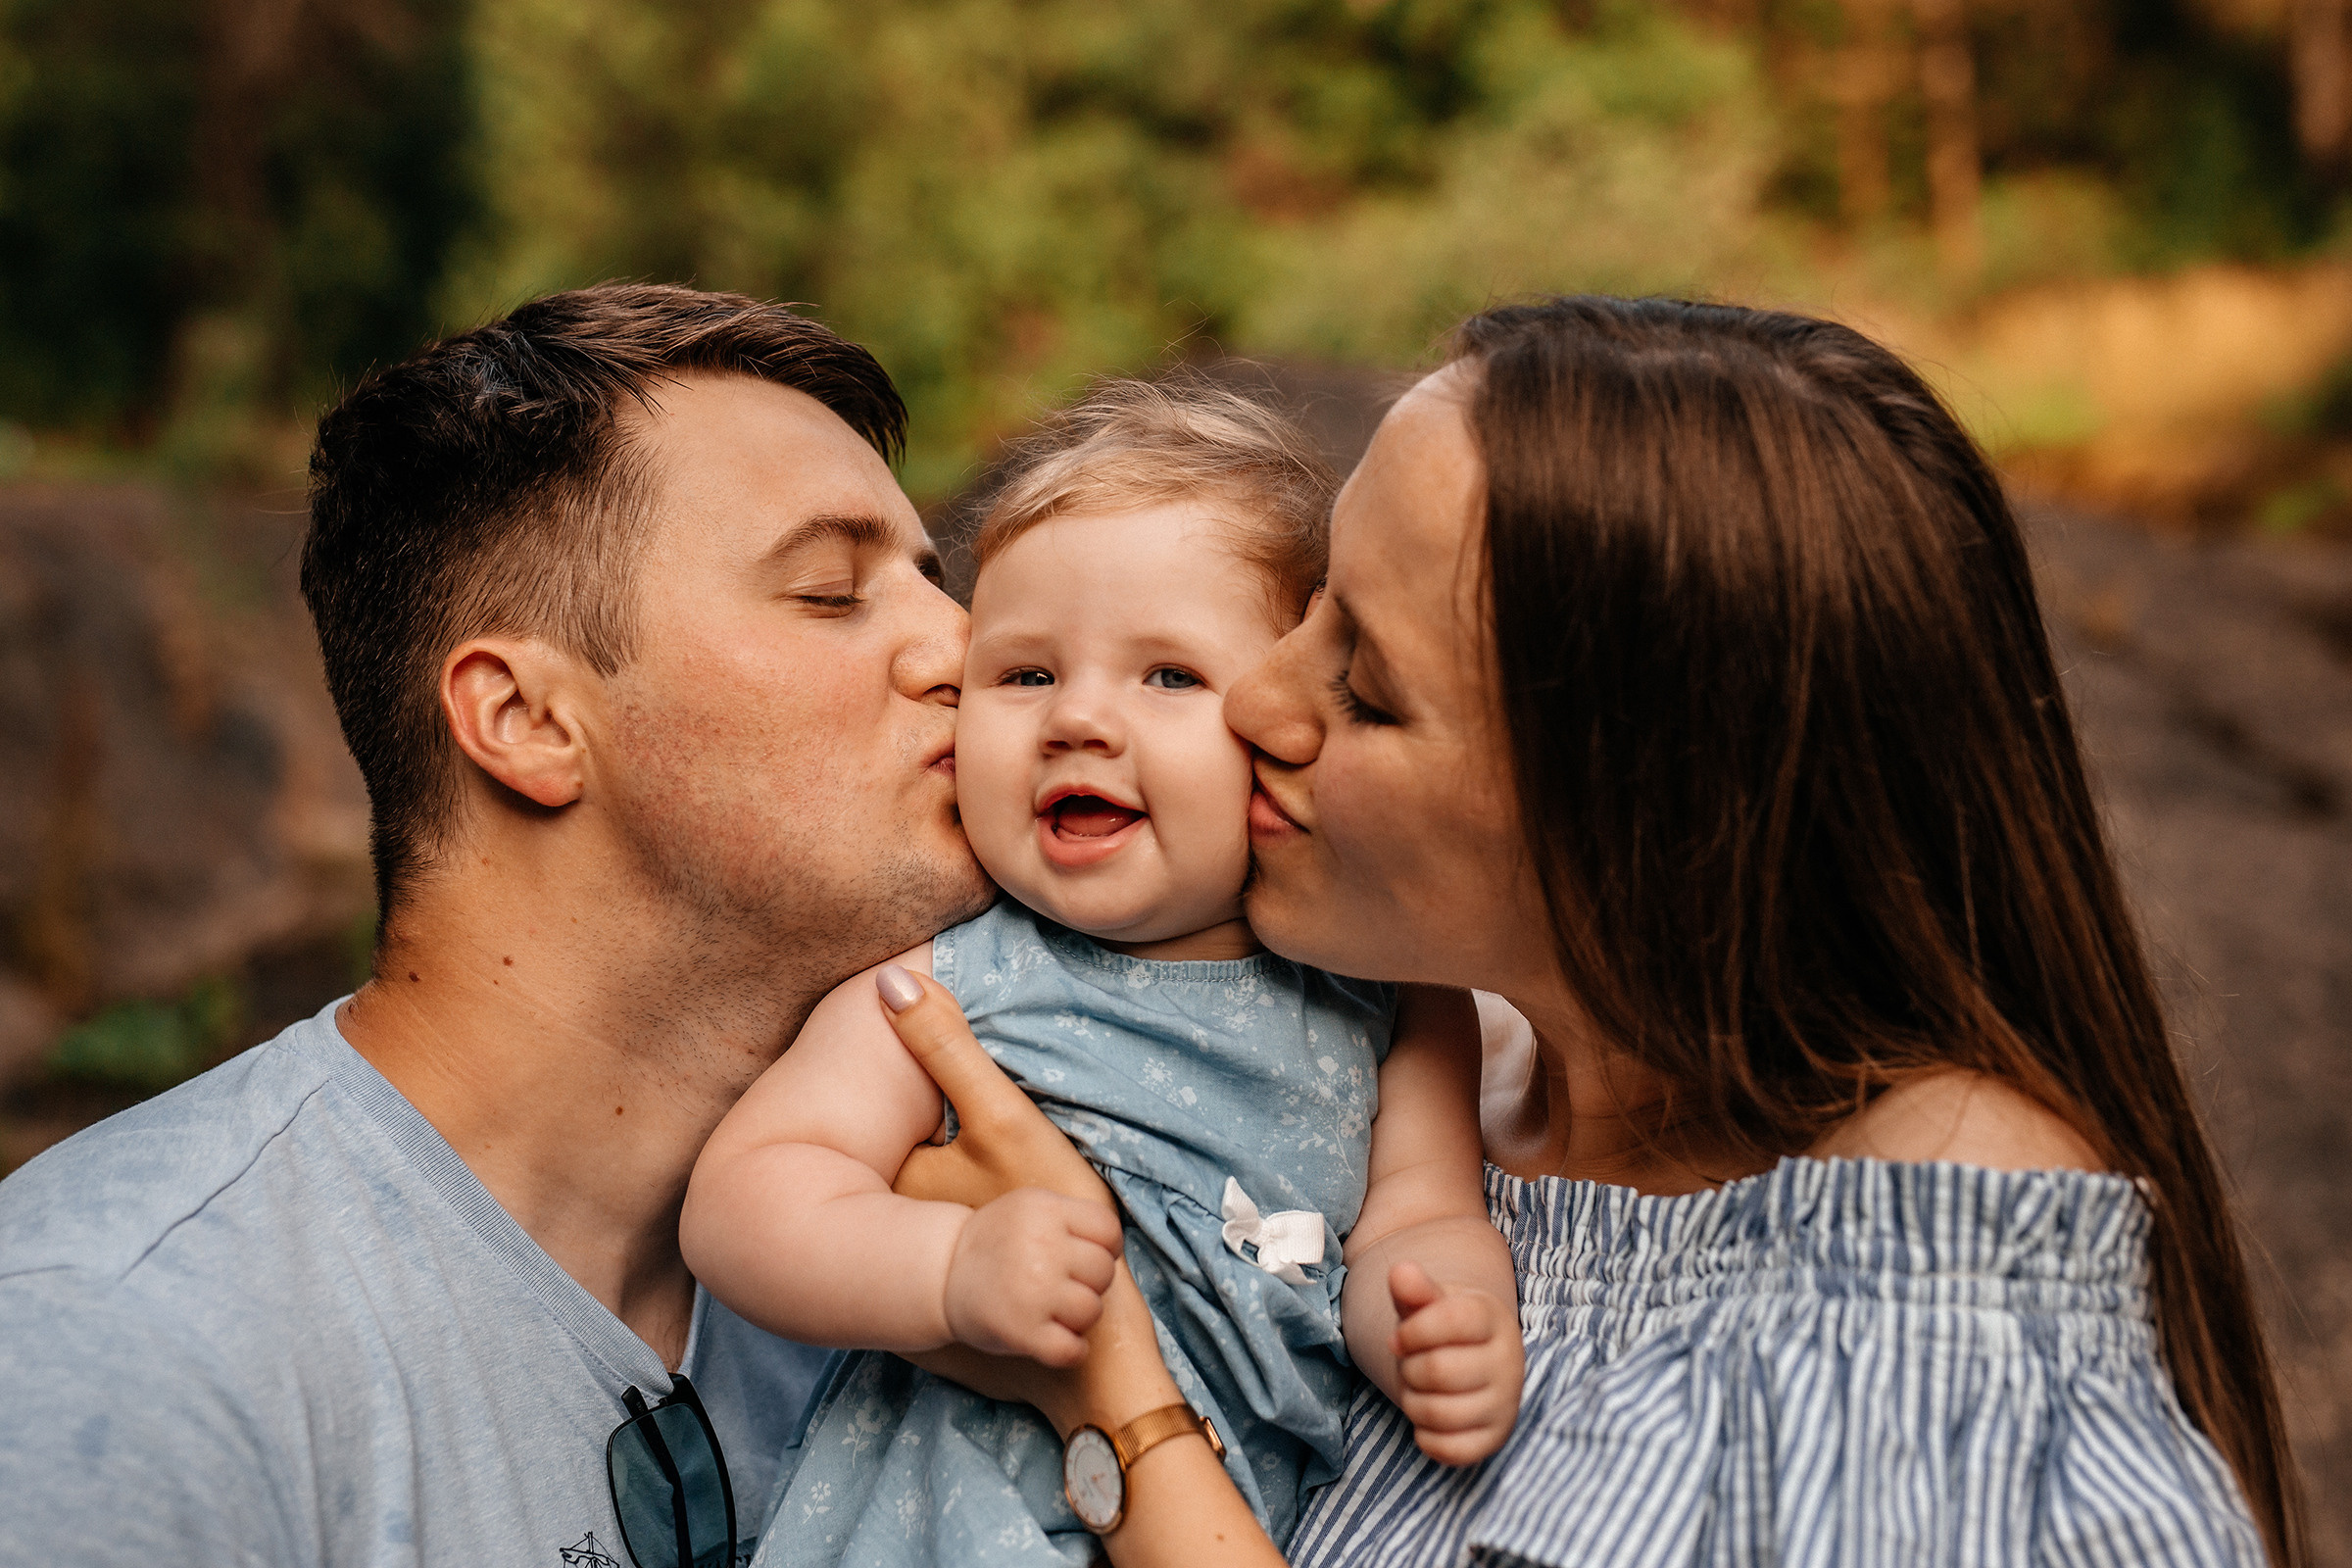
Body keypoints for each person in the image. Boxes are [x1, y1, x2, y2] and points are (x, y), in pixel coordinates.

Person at [863, 297, 2301, 1566]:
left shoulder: (1913, 1302)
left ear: (1631, 812)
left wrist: (1114, 1394)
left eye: (1366, 688)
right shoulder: (1436, 1071)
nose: (1254, 704)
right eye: (1308, 616)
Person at [0, 283, 994, 1567]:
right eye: (829, 592)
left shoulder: (907, 1267)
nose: (967, 645)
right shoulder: (124, 1351)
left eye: (937, 582)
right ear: (526, 720)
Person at [681, 378, 1522, 1567]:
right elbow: (747, 1200)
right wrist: (948, 1271)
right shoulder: (945, 984)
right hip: (939, 1526)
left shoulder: (1388, 997)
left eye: (1169, 676)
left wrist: (1444, 1326)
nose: (1079, 717)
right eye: (1023, 674)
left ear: (1285, 721)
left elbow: (1423, 1218)